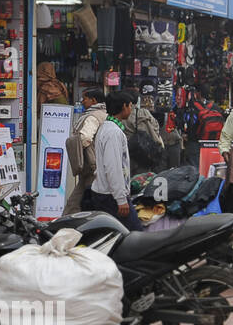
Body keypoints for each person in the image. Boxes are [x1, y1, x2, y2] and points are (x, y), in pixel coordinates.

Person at [85, 91, 143, 230]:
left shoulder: (109, 127)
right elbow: (113, 167)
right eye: (130, 106)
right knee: (135, 233)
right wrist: (121, 199)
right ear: (124, 106)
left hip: (107, 193)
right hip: (110, 196)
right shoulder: (113, 132)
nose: (131, 109)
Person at [65, 87, 107, 215]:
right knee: (76, 203)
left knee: (76, 204)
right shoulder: (105, 114)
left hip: (91, 168)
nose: (82, 101)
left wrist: (72, 143)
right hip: (96, 168)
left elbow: (85, 138)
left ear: (93, 100)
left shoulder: (92, 117)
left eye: (85, 98)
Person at [122, 88, 165, 174]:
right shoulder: (143, 113)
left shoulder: (122, 113)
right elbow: (154, 129)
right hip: (144, 153)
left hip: (128, 153)